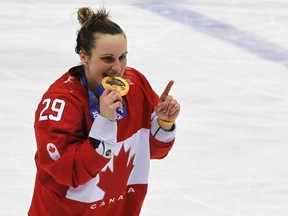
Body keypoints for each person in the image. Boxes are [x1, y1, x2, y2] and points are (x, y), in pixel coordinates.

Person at [28, 7, 180, 216]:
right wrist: (105, 121)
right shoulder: (60, 104)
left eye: (122, 57)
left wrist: (164, 123)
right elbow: (71, 174)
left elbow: (153, 151)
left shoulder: (136, 85)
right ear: (84, 56)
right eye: (108, 58)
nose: (117, 68)